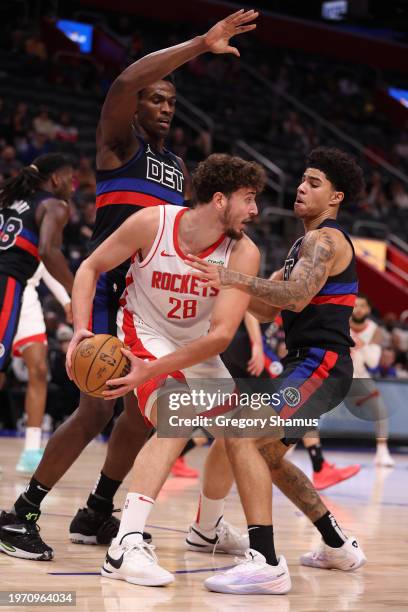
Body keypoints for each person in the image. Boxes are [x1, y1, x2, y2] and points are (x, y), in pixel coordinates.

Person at [0, 8, 259, 561]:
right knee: (96, 409)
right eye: (156, 99)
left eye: (170, 102)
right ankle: (19, 514)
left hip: (143, 299)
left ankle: (97, 508)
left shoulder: (176, 166)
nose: (164, 108)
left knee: (143, 410)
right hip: (104, 291)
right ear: (137, 105)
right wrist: (200, 42)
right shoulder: (119, 143)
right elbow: (123, 80)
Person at [66, 153, 265, 586]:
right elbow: (90, 267)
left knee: (243, 430)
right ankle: (124, 546)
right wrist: (81, 330)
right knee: (179, 414)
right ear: (218, 200)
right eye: (248, 200)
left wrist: (155, 371)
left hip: (197, 346)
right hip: (144, 333)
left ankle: (206, 527)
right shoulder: (152, 223)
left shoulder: (244, 252)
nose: (255, 211)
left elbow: (219, 337)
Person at [189, 147, 367, 594]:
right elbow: (271, 309)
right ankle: (337, 544)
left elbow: (296, 296)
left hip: (320, 365)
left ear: (336, 197)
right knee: (266, 456)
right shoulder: (300, 244)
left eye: (314, 183)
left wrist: (231, 278)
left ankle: (266, 561)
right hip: (308, 366)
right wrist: (222, 285)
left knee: (239, 433)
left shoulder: (326, 239)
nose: (301, 188)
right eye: (302, 180)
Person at [12, 263, 72, 474]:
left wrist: (66, 301)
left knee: (39, 370)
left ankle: (31, 449)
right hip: (5, 290)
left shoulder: (40, 230)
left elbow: (47, 264)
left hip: (28, 299)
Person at [348, 294, 394, 466]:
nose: (358, 308)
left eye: (362, 306)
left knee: (381, 411)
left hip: (360, 378)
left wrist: (359, 343)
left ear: (368, 309)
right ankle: (289, 445)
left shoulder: (375, 329)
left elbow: (373, 362)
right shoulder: (339, 323)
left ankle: (382, 452)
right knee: (308, 409)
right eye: (355, 305)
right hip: (337, 375)